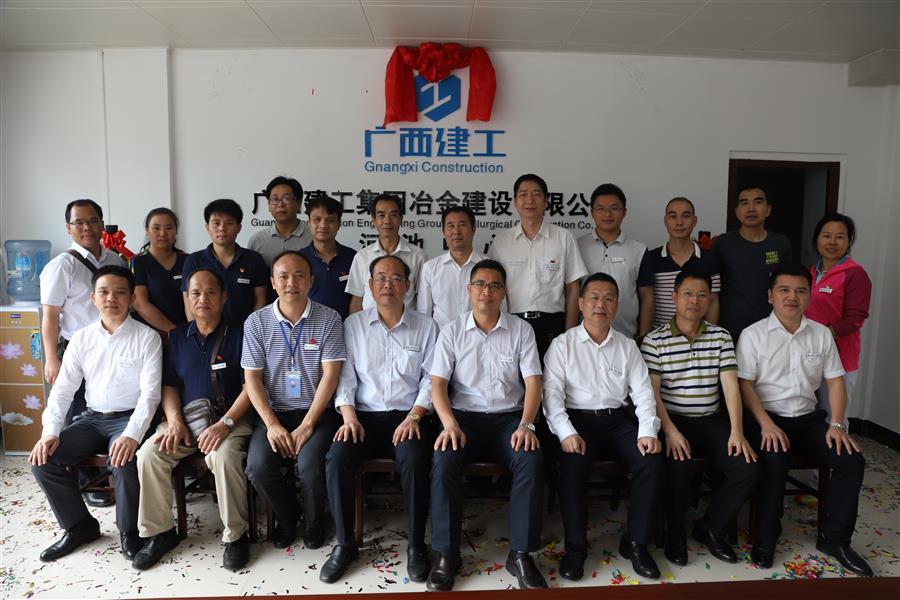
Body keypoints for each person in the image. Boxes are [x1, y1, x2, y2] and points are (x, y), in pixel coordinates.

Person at [737, 263, 871, 576]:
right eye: (784, 290)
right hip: (766, 418)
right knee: (774, 458)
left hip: (808, 420)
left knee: (850, 459)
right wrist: (766, 424)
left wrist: (837, 424)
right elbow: (745, 385)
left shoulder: (821, 334)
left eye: (800, 291)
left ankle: (835, 540)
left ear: (809, 296)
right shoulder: (753, 335)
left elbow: (835, 382)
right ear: (770, 296)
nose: (792, 297)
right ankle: (765, 537)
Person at [427, 259, 546, 592]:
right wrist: (449, 425)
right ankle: (446, 553)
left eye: (494, 286)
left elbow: (533, 383)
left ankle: (520, 554)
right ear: (469, 290)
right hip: (463, 419)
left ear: (504, 292)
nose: (486, 292)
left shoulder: (521, 330)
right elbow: (438, 385)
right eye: (480, 284)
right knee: (443, 459)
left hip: (510, 420)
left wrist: (527, 424)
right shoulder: (452, 331)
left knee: (531, 459)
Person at [30, 266, 162, 562]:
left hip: (129, 418)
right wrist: (50, 432)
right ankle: (79, 526)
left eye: (120, 292)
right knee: (42, 460)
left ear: (132, 298)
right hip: (92, 419)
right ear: (93, 297)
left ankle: (130, 532)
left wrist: (132, 435)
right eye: (104, 292)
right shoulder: (81, 338)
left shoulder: (147, 338)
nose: (111, 298)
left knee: (124, 460)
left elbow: (150, 395)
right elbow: (62, 390)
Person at [321, 255, 438, 583]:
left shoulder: (427, 327)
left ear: (408, 286)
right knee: (337, 459)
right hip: (363, 418)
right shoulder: (353, 325)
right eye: (381, 279)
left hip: (408, 418)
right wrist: (348, 417)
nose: (388, 285)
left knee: (414, 460)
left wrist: (415, 417)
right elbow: (344, 379)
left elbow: (432, 380)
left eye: (396, 278)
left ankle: (416, 544)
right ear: (370, 286)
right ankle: (345, 544)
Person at [542, 273, 663, 581]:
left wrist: (648, 431)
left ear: (617, 305)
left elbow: (643, 393)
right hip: (578, 420)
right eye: (594, 298)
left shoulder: (627, 346)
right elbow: (551, 396)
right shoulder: (562, 345)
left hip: (617, 420)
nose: (601, 305)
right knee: (572, 464)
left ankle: (636, 543)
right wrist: (566, 433)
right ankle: (576, 547)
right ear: (581, 304)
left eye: (609, 299)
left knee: (650, 461)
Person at [133, 268, 254, 571]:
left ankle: (236, 536)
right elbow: (170, 386)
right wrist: (174, 420)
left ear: (223, 297)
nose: (203, 299)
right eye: (196, 293)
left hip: (230, 421)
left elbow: (251, 387)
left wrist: (225, 424)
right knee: (149, 454)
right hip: (186, 421)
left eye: (211, 292)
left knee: (222, 457)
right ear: (186, 298)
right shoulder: (177, 337)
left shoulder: (242, 333)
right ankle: (160, 533)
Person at [641, 269, 758, 566]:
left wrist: (736, 431)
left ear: (709, 300)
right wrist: (669, 430)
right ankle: (675, 534)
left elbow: (730, 386)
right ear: (674, 297)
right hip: (673, 419)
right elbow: (652, 394)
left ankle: (711, 528)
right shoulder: (654, 340)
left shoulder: (721, 336)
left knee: (746, 468)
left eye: (702, 295)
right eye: (688, 294)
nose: (694, 300)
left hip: (711, 420)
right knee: (678, 467)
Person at [243, 251, 345, 551]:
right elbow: (252, 378)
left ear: (311, 281)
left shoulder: (329, 319)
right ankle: (288, 517)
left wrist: (308, 424)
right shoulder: (256, 322)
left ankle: (314, 522)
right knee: (258, 466)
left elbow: (331, 375)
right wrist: (272, 424)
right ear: (273, 282)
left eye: (299, 275)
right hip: (274, 414)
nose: (292, 283)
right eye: (283, 276)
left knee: (310, 466)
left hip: (317, 414)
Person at [40, 198, 126, 508]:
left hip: (113, 347)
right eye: (79, 222)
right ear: (69, 228)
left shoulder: (115, 259)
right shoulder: (61, 266)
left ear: (102, 224)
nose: (87, 227)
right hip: (76, 350)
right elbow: (50, 316)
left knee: (106, 408)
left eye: (92, 220)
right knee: (75, 414)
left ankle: (111, 470)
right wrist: (52, 358)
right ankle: (87, 481)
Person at [488, 174, 587, 358]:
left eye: (536, 194)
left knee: (551, 376)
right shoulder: (501, 242)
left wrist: (569, 334)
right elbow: (493, 287)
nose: (530, 200)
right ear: (515, 201)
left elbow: (573, 286)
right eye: (523, 195)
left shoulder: (563, 237)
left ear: (546, 201)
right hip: (512, 325)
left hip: (552, 326)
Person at [805, 213, 871, 427]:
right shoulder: (811, 272)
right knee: (808, 412)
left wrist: (822, 337)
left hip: (840, 356)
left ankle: (838, 451)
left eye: (840, 237)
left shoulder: (855, 274)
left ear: (849, 242)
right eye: (826, 236)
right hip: (808, 354)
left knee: (834, 417)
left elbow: (855, 319)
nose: (832, 242)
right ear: (817, 239)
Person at [709, 185, 792, 341]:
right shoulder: (723, 243)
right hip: (731, 329)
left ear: (768, 210)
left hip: (772, 329)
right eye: (744, 203)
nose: (751, 208)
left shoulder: (781, 243)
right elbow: (712, 290)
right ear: (737, 212)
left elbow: (788, 285)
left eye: (757, 202)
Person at [576, 183, 654, 341]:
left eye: (614, 208)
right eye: (601, 208)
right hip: (584, 338)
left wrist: (644, 337)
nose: (607, 214)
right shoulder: (577, 246)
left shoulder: (639, 250)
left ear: (624, 212)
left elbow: (647, 297)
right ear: (592, 212)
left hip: (626, 337)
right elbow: (571, 292)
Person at [182, 199, 268, 325]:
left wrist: (251, 330)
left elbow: (260, 300)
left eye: (229, 223)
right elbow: (189, 302)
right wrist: (199, 332)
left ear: (238, 228)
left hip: (245, 332)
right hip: (207, 332)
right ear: (207, 227)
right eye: (216, 223)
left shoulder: (254, 259)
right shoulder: (194, 260)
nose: (222, 228)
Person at [346, 193, 426, 314]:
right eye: (381, 215)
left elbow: (423, 300)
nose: (387, 221)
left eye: (393, 215)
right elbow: (357, 300)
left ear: (401, 219)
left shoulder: (418, 256)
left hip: (408, 324)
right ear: (374, 220)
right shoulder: (362, 257)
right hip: (369, 324)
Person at [648, 197, 720, 329]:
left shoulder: (710, 259)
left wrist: (711, 335)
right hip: (660, 336)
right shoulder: (651, 258)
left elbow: (713, 300)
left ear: (695, 220)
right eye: (673, 216)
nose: (679, 222)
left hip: (698, 335)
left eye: (686, 216)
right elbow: (647, 300)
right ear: (665, 221)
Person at [417, 205, 490, 328]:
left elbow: (498, 309)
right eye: (450, 226)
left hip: (480, 337)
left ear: (473, 229)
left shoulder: (489, 267)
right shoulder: (430, 268)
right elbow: (424, 315)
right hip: (440, 338)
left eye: (462, 225)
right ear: (443, 231)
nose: (456, 231)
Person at [131, 207, 188, 335]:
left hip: (187, 333)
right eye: (156, 228)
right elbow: (139, 303)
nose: (162, 233)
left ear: (176, 231)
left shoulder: (188, 260)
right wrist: (175, 332)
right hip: (152, 336)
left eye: (169, 228)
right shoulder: (138, 261)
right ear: (147, 230)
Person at [297, 196, 356, 319]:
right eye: (317, 219)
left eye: (330, 220)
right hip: (307, 328)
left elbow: (357, 298)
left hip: (344, 327)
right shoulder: (298, 259)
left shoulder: (352, 257)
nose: (323, 225)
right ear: (309, 222)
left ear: (339, 223)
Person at [247, 176, 312, 267]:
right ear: (269, 205)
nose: (280, 204)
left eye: (286, 199)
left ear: (298, 203)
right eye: (275, 199)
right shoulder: (257, 240)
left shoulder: (313, 238)